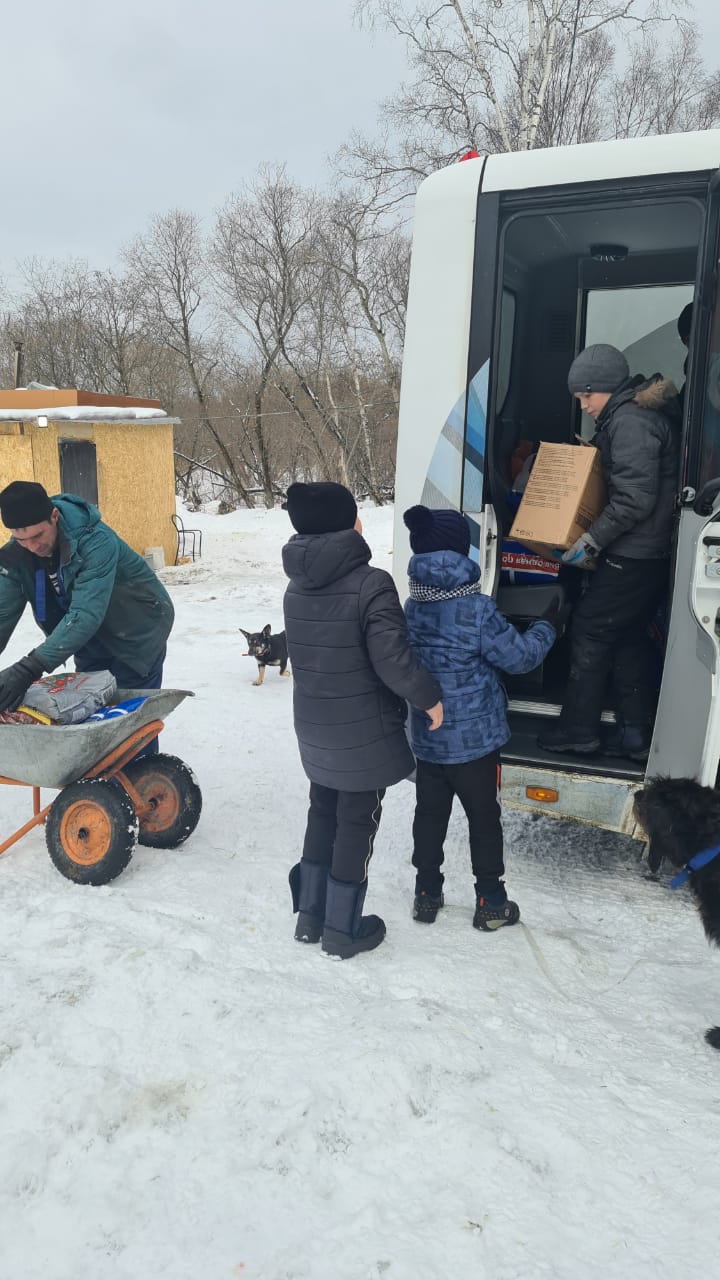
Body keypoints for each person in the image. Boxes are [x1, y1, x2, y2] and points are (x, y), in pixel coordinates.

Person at [282, 481, 443, 960]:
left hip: (315, 726)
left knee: (321, 811)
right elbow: (393, 661)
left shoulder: (296, 584)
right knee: (357, 820)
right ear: (349, 523)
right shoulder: (370, 583)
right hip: (363, 729)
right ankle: (343, 928)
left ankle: (310, 918)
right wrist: (429, 699)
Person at [403, 504, 562, 929]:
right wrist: (548, 627)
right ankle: (491, 901)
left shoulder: (413, 603)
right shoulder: (475, 609)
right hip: (474, 742)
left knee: (429, 815)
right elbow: (521, 658)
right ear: (460, 550)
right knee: (483, 819)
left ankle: (426, 893)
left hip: (429, 736)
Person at [538, 344, 680, 761]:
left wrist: (592, 539)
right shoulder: (629, 414)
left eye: (587, 396)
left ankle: (578, 730)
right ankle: (636, 733)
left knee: (589, 629)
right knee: (626, 634)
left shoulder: (632, 422)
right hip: (645, 551)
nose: (583, 405)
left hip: (635, 553)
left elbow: (634, 498)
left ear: (607, 387)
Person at [0, 482, 174, 741]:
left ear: (54, 517)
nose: (32, 546)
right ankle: (100, 777)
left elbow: (86, 612)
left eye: (37, 536)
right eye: (21, 539)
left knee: (127, 723)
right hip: (87, 636)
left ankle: (141, 774)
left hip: (137, 629)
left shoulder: (95, 541)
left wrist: (29, 668)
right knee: (91, 713)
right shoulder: (19, 554)